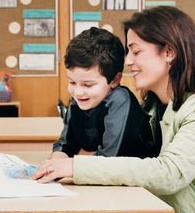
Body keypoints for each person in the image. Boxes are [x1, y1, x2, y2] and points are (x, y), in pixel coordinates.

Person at [33, 6, 195, 213]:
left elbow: (169, 173)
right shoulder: (154, 107)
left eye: (136, 51)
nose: (128, 61)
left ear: (169, 52)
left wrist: (75, 167)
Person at [52, 27, 157, 160]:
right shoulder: (78, 102)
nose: (78, 92)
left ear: (115, 80)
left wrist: (77, 160)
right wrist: (56, 160)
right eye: (72, 82)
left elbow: (109, 159)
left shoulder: (120, 99)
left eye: (88, 84)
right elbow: (64, 145)